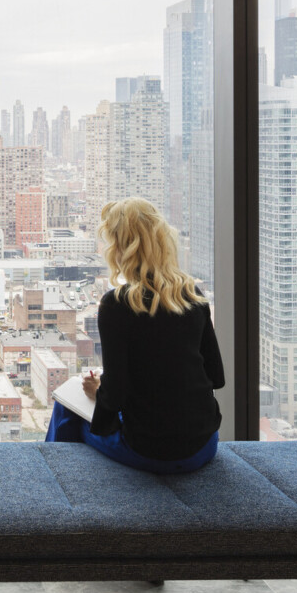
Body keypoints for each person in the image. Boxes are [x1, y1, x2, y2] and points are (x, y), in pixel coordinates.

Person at [67, 197, 224, 474]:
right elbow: (215, 376)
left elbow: (113, 396)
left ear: (120, 248)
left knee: (66, 412)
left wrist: (97, 392)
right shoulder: (192, 294)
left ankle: (65, 495)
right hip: (204, 445)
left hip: (150, 450)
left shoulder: (116, 304)